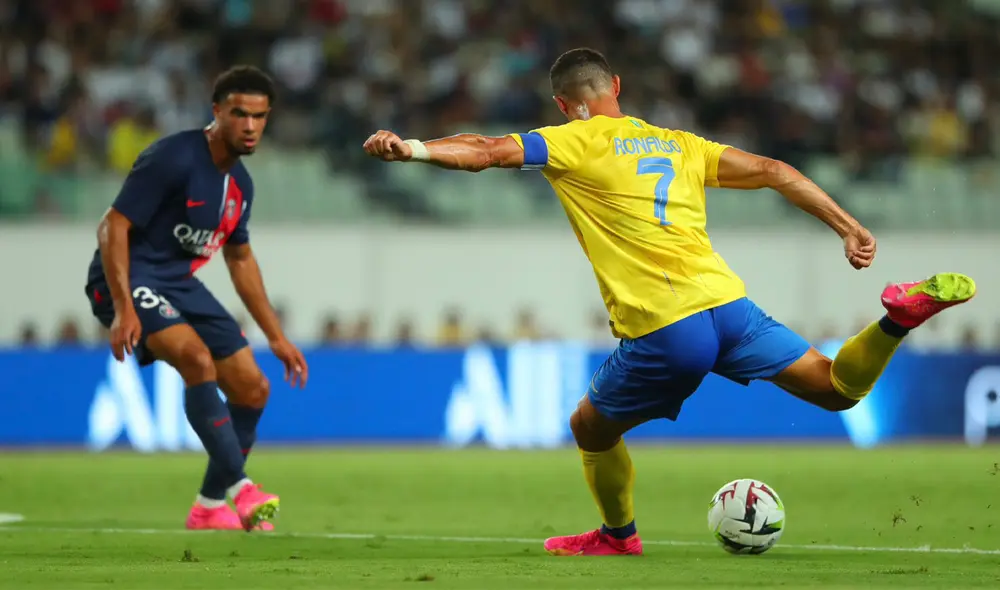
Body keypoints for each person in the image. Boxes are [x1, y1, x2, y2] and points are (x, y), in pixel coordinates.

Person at [362, 48, 976, 555]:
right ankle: (895, 321)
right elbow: (771, 168)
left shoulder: (575, 140)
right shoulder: (677, 144)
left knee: (588, 425)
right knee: (837, 388)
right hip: (729, 306)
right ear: (618, 87)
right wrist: (846, 224)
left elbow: (487, 150)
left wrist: (413, 148)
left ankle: (617, 537)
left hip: (665, 324)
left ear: (562, 105)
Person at [85, 65, 308, 533]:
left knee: (253, 387)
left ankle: (208, 508)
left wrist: (278, 337)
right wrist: (124, 307)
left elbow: (241, 261)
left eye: (260, 117)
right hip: (128, 277)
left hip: (179, 284)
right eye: (239, 114)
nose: (250, 126)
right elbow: (113, 226)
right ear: (217, 112)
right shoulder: (174, 157)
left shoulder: (240, 186)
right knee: (196, 359)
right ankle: (242, 490)